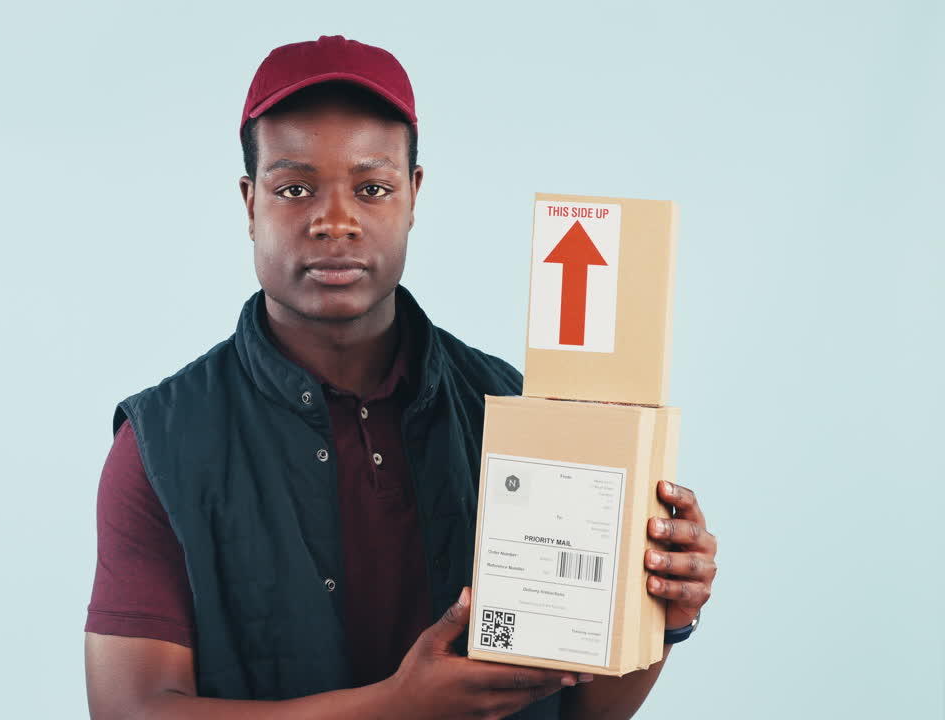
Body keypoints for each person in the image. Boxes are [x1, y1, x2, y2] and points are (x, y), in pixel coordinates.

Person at [83, 35, 717, 720]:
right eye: (295, 188)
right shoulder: (161, 444)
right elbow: (129, 711)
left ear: (413, 197)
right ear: (249, 203)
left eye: (372, 188)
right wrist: (395, 708)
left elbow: (576, 711)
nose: (335, 222)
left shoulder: (510, 408)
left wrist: (661, 617)